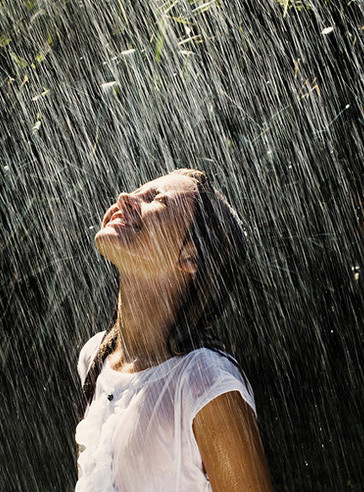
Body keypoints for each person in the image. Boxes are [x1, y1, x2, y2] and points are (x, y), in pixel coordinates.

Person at [75, 168, 272, 491]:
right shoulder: (96, 358)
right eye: (137, 190)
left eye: (154, 200)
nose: (126, 198)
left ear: (189, 256)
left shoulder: (206, 384)